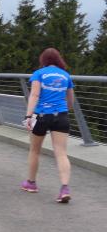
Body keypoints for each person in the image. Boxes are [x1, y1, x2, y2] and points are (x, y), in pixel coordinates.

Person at [21, 48, 75, 203]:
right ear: (58, 59)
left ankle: (31, 183)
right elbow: (71, 101)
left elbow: (35, 94)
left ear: (43, 60)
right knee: (61, 153)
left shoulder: (39, 74)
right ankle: (64, 188)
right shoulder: (65, 75)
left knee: (34, 150)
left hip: (42, 116)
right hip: (61, 116)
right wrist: (63, 108)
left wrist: (28, 116)